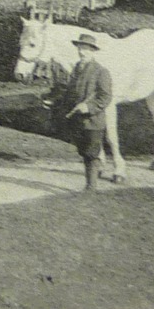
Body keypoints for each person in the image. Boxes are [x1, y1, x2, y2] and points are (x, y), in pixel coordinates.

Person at [65, 32, 114, 191]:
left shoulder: (101, 71)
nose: (81, 52)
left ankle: (91, 186)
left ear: (93, 51)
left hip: (94, 121)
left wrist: (89, 107)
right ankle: (92, 177)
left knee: (91, 152)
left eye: (85, 49)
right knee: (84, 151)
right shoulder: (76, 70)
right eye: (80, 48)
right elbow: (72, 92)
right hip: (79, 120)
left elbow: (105, 97)